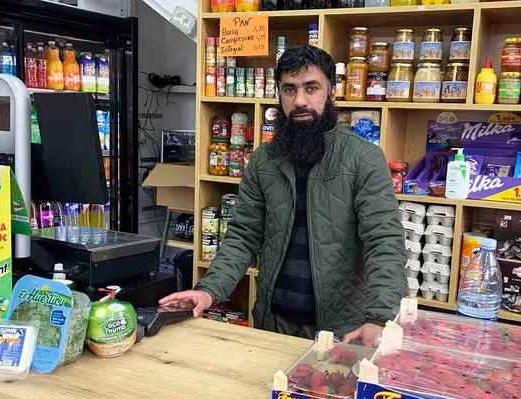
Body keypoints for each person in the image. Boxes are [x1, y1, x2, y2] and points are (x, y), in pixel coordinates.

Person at [160, 46, 405, 347]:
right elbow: (243, 235)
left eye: (311, 88)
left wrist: (379, 317)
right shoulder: (264, 160)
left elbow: (384, 242)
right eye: (289, 89)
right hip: (273, 324)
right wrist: (208, 290)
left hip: (341, 330)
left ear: (331, 92)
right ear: (279, 95)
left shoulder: (363, 159)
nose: (300, 100)